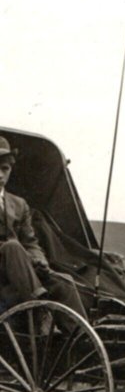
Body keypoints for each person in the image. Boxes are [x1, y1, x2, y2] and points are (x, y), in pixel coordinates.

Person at [0, 135, 87, 328]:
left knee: (65, 282)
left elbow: (30, 242)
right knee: (12, 247)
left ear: (10, 171)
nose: (0, 175)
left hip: (20, 269)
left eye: (4, 169)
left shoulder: (19, 204)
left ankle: (79, 338)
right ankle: (39, 305)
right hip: (3, 269)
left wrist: (39, 261)